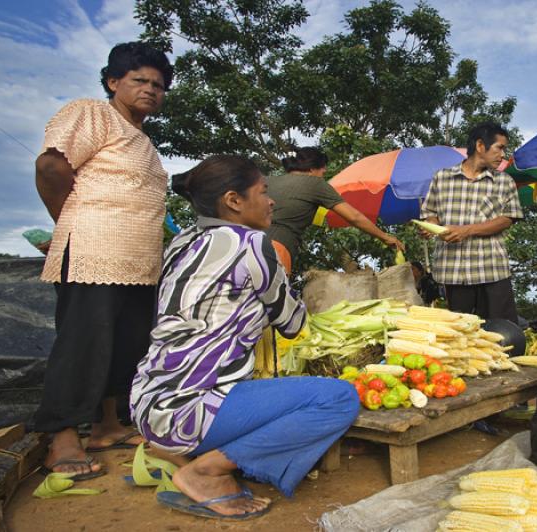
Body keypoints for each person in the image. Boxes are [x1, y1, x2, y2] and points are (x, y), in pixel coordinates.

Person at [132, 155, 359, 519]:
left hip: (149, 403)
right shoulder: (251, 243)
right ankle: (207, 472)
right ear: (233, 201)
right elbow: (292, 324)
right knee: (339, 398)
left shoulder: (182, 242)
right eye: (264, 192)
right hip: (191, 410)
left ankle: (176, 451)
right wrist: (283, 280)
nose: (272, 202)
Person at [33, 42, 173, 480]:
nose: (151, 89)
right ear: (113, 82)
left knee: (127, 343)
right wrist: (69, 224)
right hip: (94, 251)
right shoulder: (92, 113)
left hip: (138, 261)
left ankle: (106, 427)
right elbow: (52, 168)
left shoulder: (143, 140)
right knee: (84, 344)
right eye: (139, 80)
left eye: (158, 84)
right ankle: (61, 438)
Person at [420, 122, 522, 322]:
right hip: (453, 271)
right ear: (480, 146)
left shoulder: (504, 181)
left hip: (492, 270)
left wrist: (466, 231)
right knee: (460, 337)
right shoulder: (442, 178)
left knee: (501, 334)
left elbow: (507, 219)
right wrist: (431, 227)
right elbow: (430, 212)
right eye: (499, 148)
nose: (503, 154)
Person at [264, 147, 404, 272]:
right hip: (276, 248)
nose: (325, 171)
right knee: (270, 298)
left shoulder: (267, 181)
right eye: (323, 168)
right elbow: (354, 217)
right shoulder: (315, 183)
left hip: (245, 242)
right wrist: (385, 237)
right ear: (312, 169)